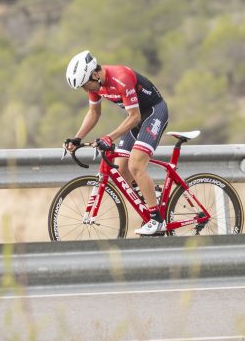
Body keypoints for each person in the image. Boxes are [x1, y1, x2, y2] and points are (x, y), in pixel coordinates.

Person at [65, 50, 170, 236]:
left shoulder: (121, 78)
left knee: (136, 164)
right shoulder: (95, 86)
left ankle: (157, 220)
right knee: (121, 172)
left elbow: (135, 116)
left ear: (95, 74)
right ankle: (153, 193)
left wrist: (109, 137)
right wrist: (77, 137)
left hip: (154, 113)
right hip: (136, 118)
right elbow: (94, 113)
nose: (85, 90)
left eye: (85, 85)